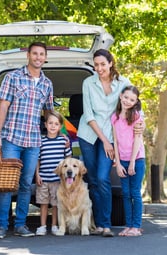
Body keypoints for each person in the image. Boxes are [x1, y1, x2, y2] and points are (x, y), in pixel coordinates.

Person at [77, 49, 143, 237]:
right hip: (89, 135)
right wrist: (104, 140)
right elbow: (89, 114)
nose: (99, 68)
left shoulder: (123, 83)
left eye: (102, 64)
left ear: (110, 63)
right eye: (96, 65)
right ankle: (100, 223)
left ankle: (106, 224)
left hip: (111, 137)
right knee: (94, 181)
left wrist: (141, 125)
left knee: (103, 177)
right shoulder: (88, 83)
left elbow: (137, 104)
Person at [0, 42, 54, 239]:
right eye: (34, 53)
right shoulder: (13, 77)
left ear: (45, 58)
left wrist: (58, 134)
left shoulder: (47, 84)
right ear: (28, 55)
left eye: (41, 54)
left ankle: (20, 225)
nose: (37, 57)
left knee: (26, 184)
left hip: (34, 141)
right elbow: (2, 107)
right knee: (7, 184)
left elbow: (49, 113)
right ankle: (1, 225)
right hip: (11, 138)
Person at [111, 85, 145, 237]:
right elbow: (116, 142)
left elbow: (137, 140)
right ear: (120, 96)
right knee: (125, 194)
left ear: (136, 101)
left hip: (136, 160)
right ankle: (128, 225)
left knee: (135, 193)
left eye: (132, 99)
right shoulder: (115, 117)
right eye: (126, 97)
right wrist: (117, 163)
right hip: (122, 161)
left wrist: (132, 163)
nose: (128, 101)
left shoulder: (136, 116)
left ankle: (136, 227)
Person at [35, 111, 72, 236]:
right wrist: (37, 174)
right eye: (50, 123)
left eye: (56, 124)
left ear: (60, 126)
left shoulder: (63, 141)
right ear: (45, 124)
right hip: (43, 178)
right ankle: (42, 226)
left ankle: (54, 226)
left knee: (56, 204)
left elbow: (68, 160)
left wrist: (66, 177)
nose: (52, 126)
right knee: (43, 203)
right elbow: (38, 160)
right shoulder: (41, 141)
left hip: (58, 179)